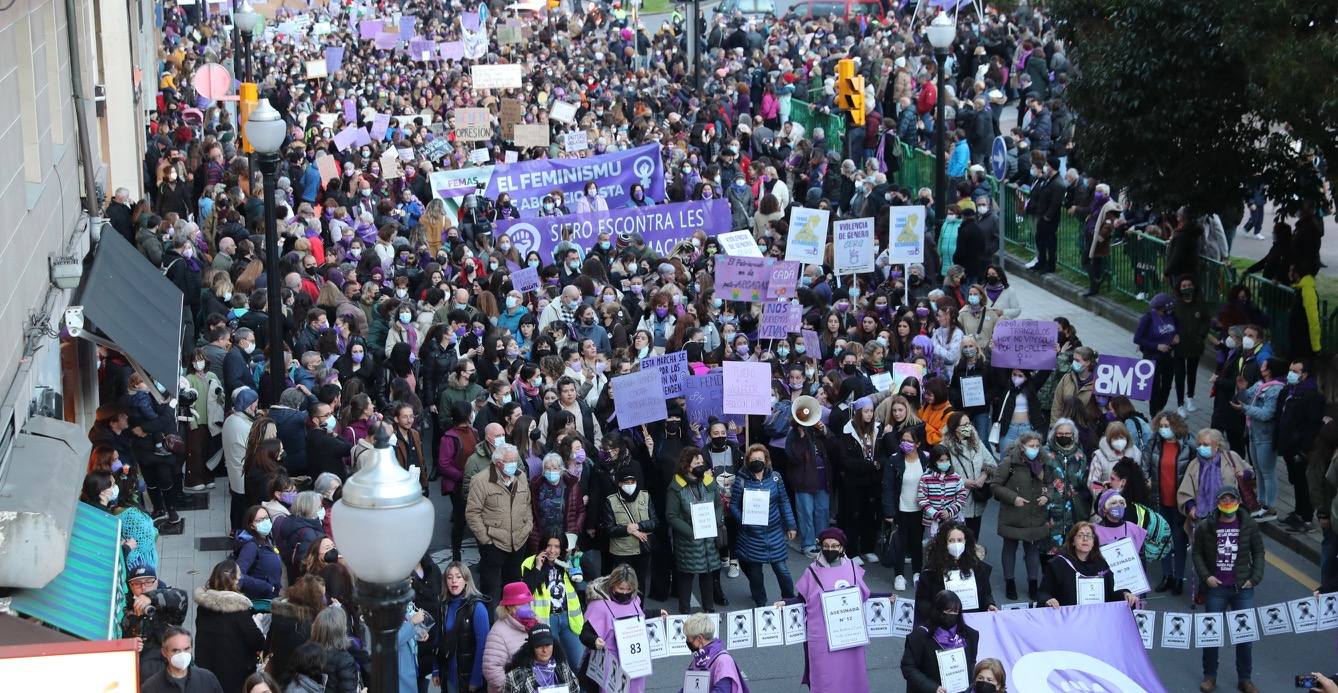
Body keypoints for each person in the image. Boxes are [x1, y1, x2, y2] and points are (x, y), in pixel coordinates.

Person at [776, 527, 871, 693]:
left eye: (834, 546)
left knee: (851, 677)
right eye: (826, 545)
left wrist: (887, 596)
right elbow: (801, 599)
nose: (830, 549)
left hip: (849, 635)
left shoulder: (853, 569)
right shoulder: (812, 571)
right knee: (825, 679)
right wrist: (786, 603)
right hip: (822, 638)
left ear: (841, 548)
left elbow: (864, 595)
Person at [1192, 486, 1264, 693]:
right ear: (1217, 503)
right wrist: (1207, 577)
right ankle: (1210, 677)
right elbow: (1196, 554)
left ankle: (1245, 679)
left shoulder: (1248, 524)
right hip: (1216, 589)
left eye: (1231, 498)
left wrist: (1255, 578)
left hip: (1243, 589)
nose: (1228, 502)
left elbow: (1258, 551)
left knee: (1245, 636)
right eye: (1223, 499)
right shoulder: (1206, 526)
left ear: (1238, 501)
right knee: (1211, 634)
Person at [730, 444, 798, 607]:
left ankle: (789, 601)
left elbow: (784, 502)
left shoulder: (775, 478)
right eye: (753, 459)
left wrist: (791, 525)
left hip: (774, 533)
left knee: (782, 570)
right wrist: (744, 522)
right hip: (751, 536)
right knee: (755, 575)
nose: (757, 461)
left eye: (760, 459)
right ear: (747, 461)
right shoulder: (741, 480)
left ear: (766, 460)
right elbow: (733, 506)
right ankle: (760, 603)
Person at [466, 442, 533, 604]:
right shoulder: (480, 480)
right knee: (490, 588)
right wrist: (485, 539)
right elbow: (472, 513)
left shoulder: (521, 477)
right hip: (493, 544)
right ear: (498, 463)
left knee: (514, 588)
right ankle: (488, 624)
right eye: (510, 462)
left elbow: (528, 504)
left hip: (518, 542)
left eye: (515, 461)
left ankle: (512, 623)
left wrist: (527, 527)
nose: (514, 465)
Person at [579, 565, 661, 693]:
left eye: (628, 589)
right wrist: (595, 641)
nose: (624, 592)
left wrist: (657, 613)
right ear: (612, 585)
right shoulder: (599, 606)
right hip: (611, 666)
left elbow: (638, 616)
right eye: (621, 588)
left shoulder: (635, 599)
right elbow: (584, 634)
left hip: (636, 664)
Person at [991, 432, 1050, 602]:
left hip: (1035, 515)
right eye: (1031, 446)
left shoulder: (1043, 463)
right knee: (1009, 548)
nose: (1035, 449)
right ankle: (1010, 582)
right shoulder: (1009, 463)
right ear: (1022, 446)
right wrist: (1013, 498)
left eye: (1037, 446)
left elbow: (1049, 484)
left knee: (1032, 551)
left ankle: (1033, 584)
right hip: (1013, 515)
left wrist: (1046, 496)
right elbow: (995, 486)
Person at [665, 447, 725, 613]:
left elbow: (718, 505)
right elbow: (671, 516)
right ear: (686, 466)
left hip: (709, 539)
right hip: (688, 541)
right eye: (696, 463)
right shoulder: (676, 487)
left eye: (702, 462)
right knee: (686, 578)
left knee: (707, 574)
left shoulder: (708, 482)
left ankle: (709, 611)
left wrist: (716, 522)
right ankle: (684, 613)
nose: (701, 465)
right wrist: (692, 532)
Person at [193, 560, 265, 693]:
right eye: (239, 576)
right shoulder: (239, 611)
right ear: (235, 581)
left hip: (208, 674)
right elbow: (258, 642)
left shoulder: (203, 608)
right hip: (235, 676)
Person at [519, 531, 586, 671]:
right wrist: (538, 567)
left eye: (557, 546)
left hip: (569, 618)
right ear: (543, 546)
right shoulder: (530, 562)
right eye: (549, 546)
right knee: (549, 665)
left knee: (579, 662)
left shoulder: (567, 562)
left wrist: (574, 560)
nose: (552, 550)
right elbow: (526, 591)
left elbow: (586, 578)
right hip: (545, 620)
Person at [1145, 411, 1194, 595]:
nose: (1164, 430)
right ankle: (1167, 575)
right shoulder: (1154, 443)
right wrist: (1146, 479)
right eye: (1161, 426)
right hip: (1159, 499)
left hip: (1180, 502)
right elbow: (1144, 465)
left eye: (1167, 426)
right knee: (1163, 539)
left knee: (1179, 540)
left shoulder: (1189, 446)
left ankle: (1179, 578)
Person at [1039, 522, 1139, 608]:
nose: (1085, 539)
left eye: (1089, 536)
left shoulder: (1102, 564)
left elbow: (1112, 593)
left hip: (1097, 619)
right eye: (1080, 535)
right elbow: (1043, 593)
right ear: (1073, 541)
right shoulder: (1059, 563)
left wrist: (1125, 594)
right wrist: (1049, 600)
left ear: (1093, 542)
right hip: (1067, 619)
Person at [1234, 357, 1285, 521]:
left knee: (1268, 472)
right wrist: (1241, 389)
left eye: (1263, 366)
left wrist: (1245, 409)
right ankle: (1260, 503)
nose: (1261, 367)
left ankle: (1269, 507)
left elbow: (1267, 414)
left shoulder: (1275, 390)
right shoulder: (1259, 385)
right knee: (1259, 472)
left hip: (1266, 436)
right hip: (1254, 434)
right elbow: (1245, 397)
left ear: (1269, 370)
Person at [1277, 360, 1325, 532]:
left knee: (1302, 483)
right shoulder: (1290, 390)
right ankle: (1298, 512)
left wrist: (1303, 447)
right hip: (1290, 446)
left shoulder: (1311, 394)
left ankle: (1306, 519)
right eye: (1290, 370)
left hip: (1300, 449)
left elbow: (1312, 424)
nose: (1291, 374)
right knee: (1296, 482)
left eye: (1295, 371)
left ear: (1304, 374)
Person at [915, 523, 997, 623]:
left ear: (965, 541)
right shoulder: (931, 571)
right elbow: (923, 602)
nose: (956, 544)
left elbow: (986, 593)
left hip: (973, 621)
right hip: (942, 624)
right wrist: (939, 614)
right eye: (951, 541)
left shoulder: (977, 567)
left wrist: (990, 604)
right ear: (944, 543)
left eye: (959, 540)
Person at [901, 590, 979, 693]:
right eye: (948, 611)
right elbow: (908, 667)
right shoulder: (920, 636)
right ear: (937, 611)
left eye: (955, 612)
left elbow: (972, 663)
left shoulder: (970, 635)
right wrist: (932, 687)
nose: (952, 615)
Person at [123, 564, 189, 681]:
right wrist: (132, 642)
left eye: (148, 582)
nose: (143, 588)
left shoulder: (165, 601)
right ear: (131, 586)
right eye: (137, 584)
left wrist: (150, 597)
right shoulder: (126, 610)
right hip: (146, 676)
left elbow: (182, 596)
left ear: (156, 582)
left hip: (177, 669)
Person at [435, 561, 491, 693]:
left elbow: (482, 647)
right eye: (449, 577)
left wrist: (476, 680)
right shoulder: (444, 605)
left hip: (469, 680)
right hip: (448, 677)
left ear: (466, 580)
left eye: (458, 577)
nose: (454, 581)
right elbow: (439, 640)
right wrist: (435, 669)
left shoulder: (478, 607)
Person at [601, 467, 657, 589]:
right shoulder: (611, 501)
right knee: (622, 585)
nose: (630, 485)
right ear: (620, 483)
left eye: (633, 482)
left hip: (641, 549)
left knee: (640, 584)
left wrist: (637, 526)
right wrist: (627, 529)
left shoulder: (645, 497)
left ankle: (639, 608)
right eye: (627, 482)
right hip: (622, 551)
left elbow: (654, 522)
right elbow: (609, 529)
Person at [266, 574, 325, 686]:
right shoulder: (304, 624)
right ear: (313, 597)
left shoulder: (279, 615)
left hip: (278, 674)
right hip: (298, 680)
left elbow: (268, 643)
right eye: (320, 596)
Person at [482, 582, 538, 693]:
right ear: (509, 607)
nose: (526, 606)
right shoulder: (497, 633)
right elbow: (491, 671)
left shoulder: (537, 622)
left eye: (527, 602)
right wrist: (515, 688)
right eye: (521, 603)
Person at [139, 626, 226, 693]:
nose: (182, 654)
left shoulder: (207, 679)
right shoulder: (151, 687)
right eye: (176, 650)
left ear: (191, 648)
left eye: (186, 649)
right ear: (164, 652)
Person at [681, 611, 748, 693]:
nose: (687, 641)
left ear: (699, 638)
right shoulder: (699, 658)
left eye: (688, 638)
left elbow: (722, 690)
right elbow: (689, 688)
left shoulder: (724, 661)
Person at [502, 623, 580, 693]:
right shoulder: (517, 675)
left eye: (548, 645)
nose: (545, 650)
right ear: (531, 648)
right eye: (539, 646)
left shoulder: (562, 666)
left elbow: (574, 690)